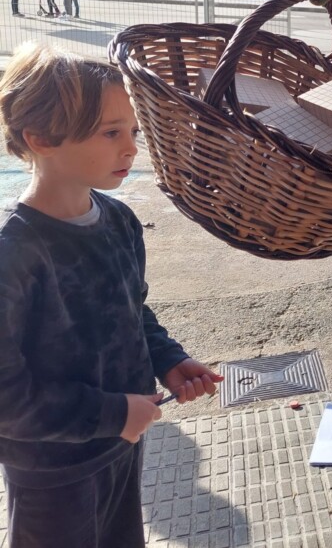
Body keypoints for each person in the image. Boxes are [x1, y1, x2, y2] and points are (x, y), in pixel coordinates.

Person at [0, 43, 224, 547]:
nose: (131, 149)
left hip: (122, 449)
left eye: (133, 132)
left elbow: (131, 309)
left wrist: (169, 359)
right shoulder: (14, 255)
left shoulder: (118, 220)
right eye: (111, 133)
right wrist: (115, 414)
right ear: (41, 138)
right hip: (52, 474)